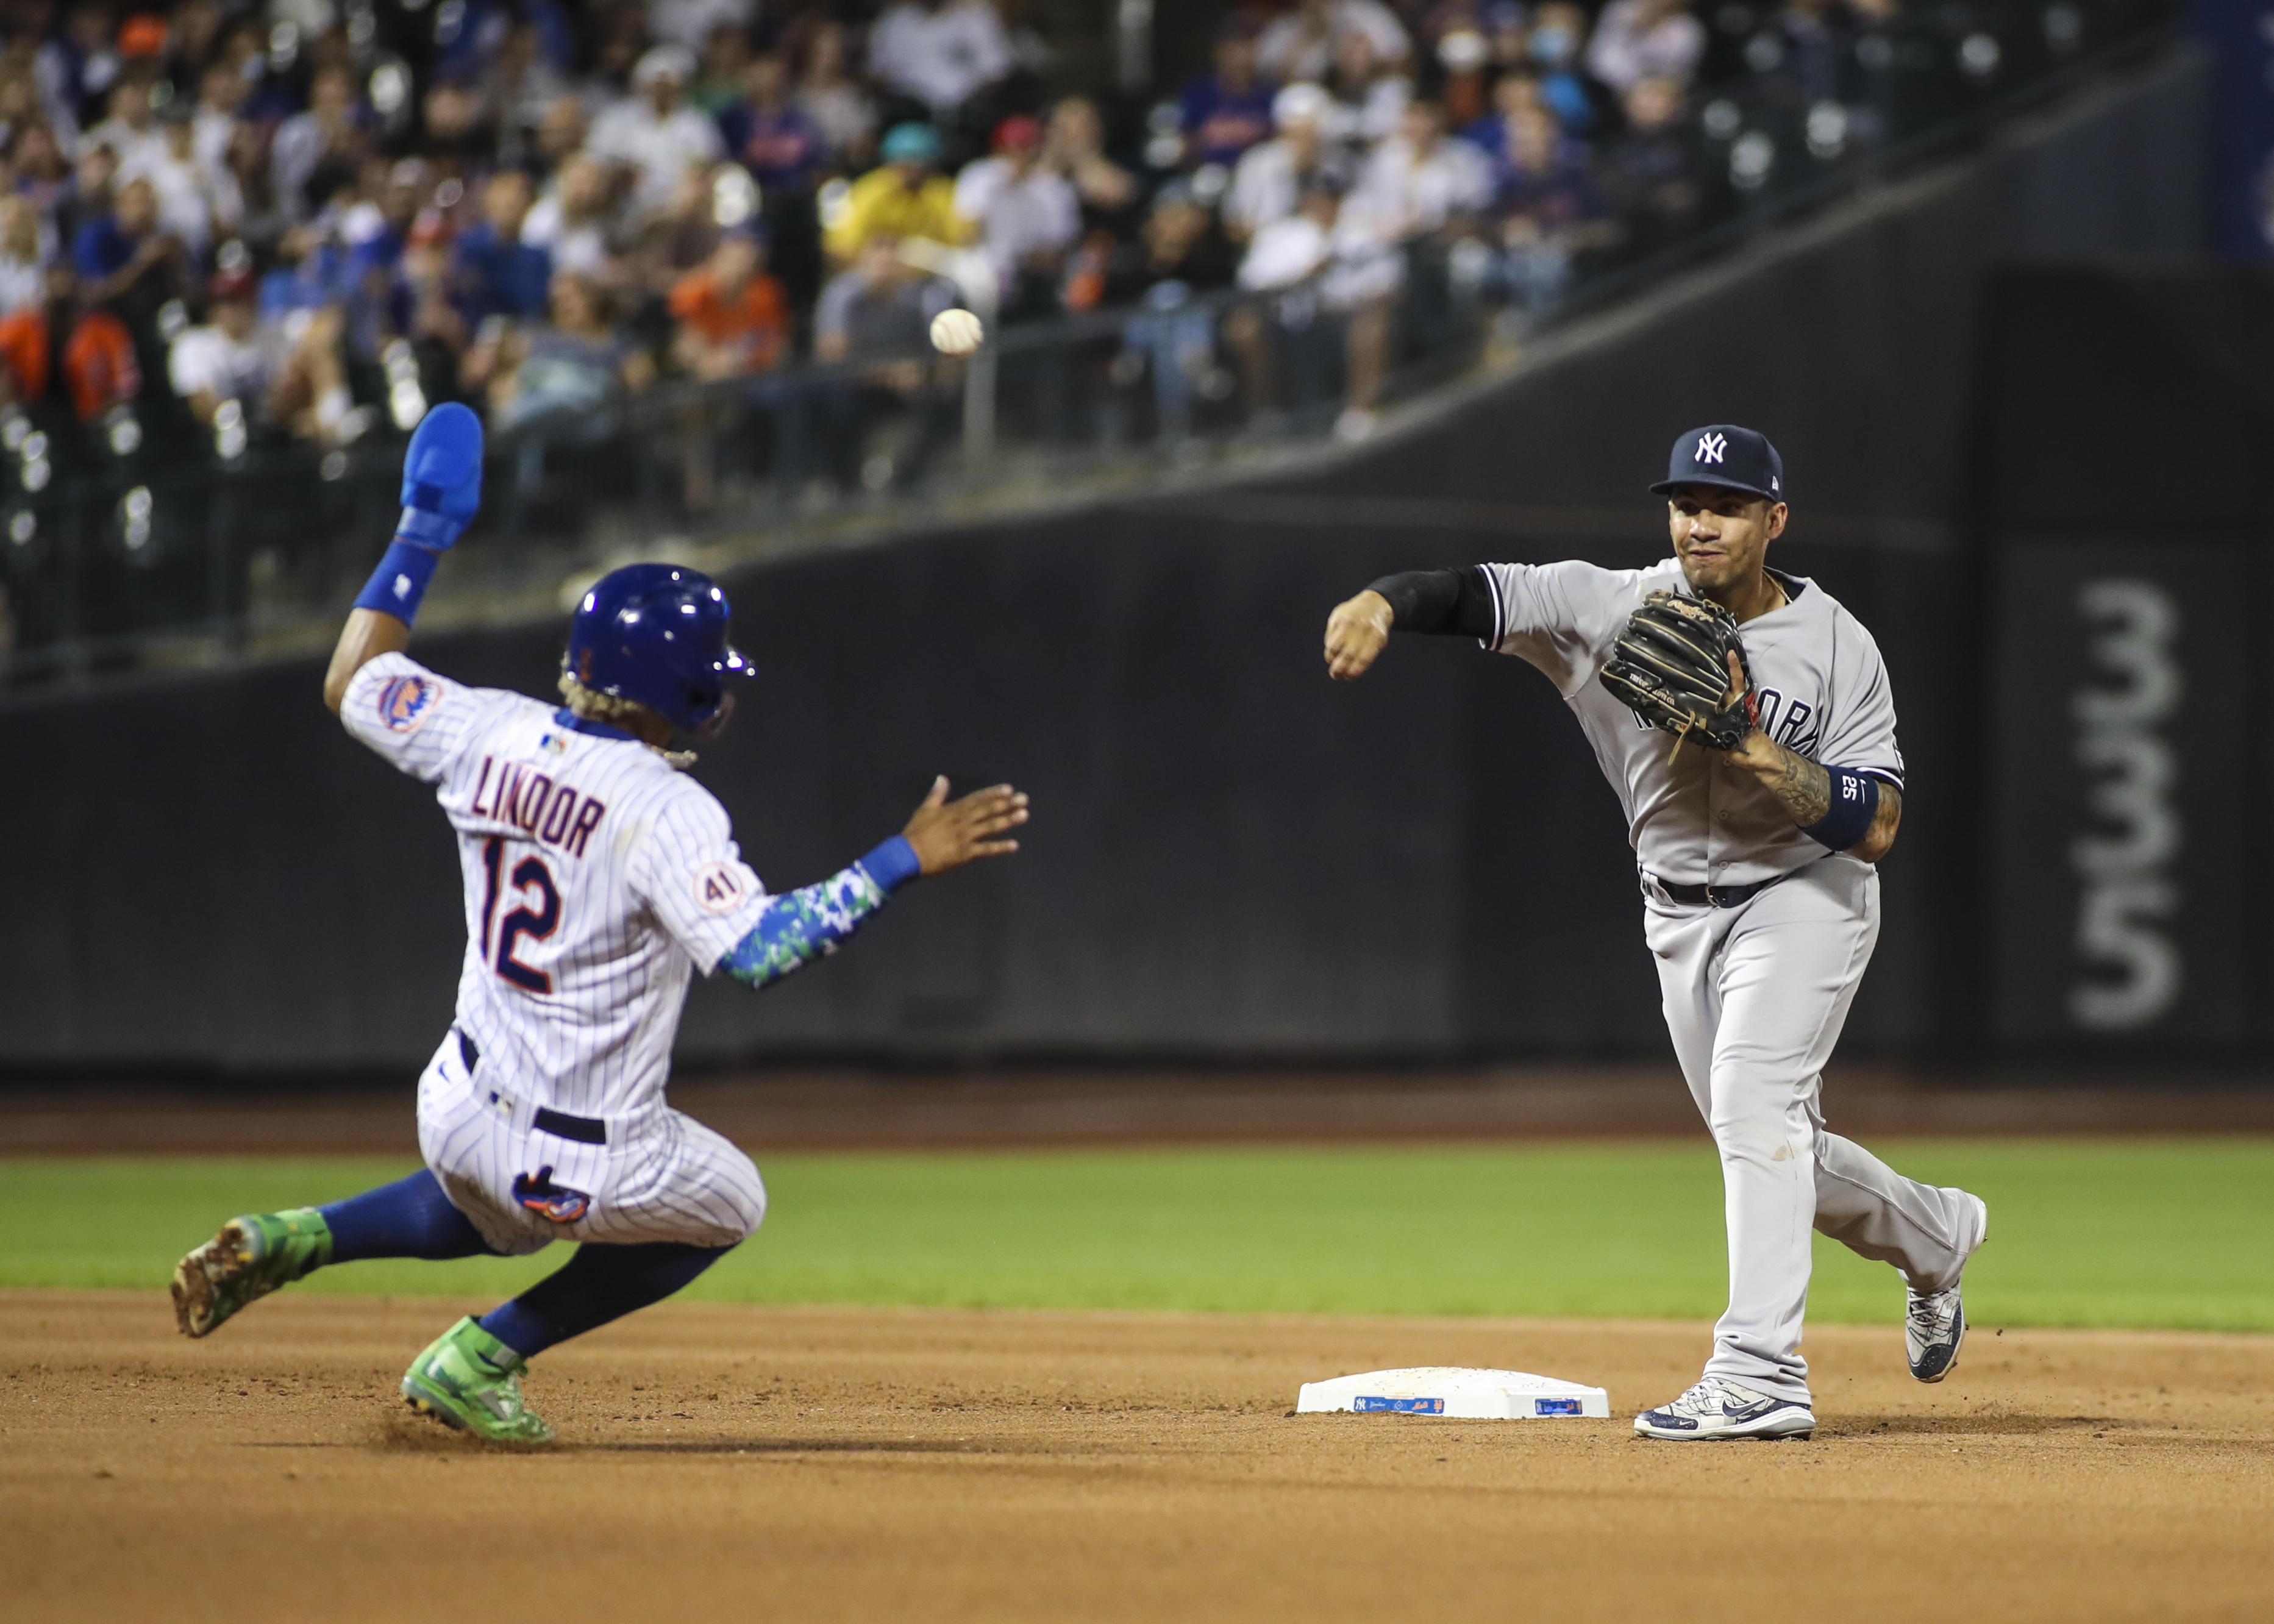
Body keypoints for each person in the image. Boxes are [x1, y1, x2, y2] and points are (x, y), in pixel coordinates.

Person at [169, 404, 1030, 1445]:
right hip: (586, 1154)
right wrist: (899, 859)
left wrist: (423, 532)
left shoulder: (484, 728)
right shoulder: (662, 807)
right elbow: (759, 951)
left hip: (454, 1102)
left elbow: (351, 677)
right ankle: (481, 1356)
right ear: (688, 693)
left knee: (493, 1203)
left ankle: (299, 1233)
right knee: (732, 1201)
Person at [1319, 424, 1988, 1440]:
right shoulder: (1609, 603)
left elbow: (1878, 825)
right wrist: (1381, 600)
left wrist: (1749, 744)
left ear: (1775, 520)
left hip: (1805, 892)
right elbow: (1472, 591)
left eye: (1722, 505)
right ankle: (1935, 1235)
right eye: (1684, 504)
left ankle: (1759, 1370)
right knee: (1765, 1139)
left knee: (1755, 1105)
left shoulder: (1841, 643)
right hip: (1675, 911)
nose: (1698, 524)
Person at [589, 45, 725, 221]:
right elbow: (596, 158)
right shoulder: (617, 120)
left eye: (669, 85)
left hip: (678, 207)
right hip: (625, 202)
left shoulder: (697, 124)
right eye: (657, 84)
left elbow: (709, 165)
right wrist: (620, 172)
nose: (662, 91)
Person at [821, 121, 972, 265]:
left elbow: (960, 240)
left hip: (931, 271)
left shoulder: (940, 191)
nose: (909, 169)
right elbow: (842, 246)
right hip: (874, 268)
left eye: (917, 161)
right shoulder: (870, 190)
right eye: (901, 161)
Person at [866, 0, 1014, 124]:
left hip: (968, 106)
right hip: (910, 107)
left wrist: (968, 96)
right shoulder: (895, 21)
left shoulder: (975, 17)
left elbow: (996, 71)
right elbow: (878, 73)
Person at [449, 168, 552, 328]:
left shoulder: (536, 253)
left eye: (513, 205)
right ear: (489, 204)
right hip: (474, 328)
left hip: (521, 329)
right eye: (501, 204)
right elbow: (462, 290)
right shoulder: (471, 244)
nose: (506, 211)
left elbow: (533, 300)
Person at [1178, 23, 1278, 170]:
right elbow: (1186, 140)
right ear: (1219, 53)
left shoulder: (1270, 93)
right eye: (1233, 50)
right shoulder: (1199, 91)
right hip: (1207, 174)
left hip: (1255, 174)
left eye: (1247, 49)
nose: (1241, 59)